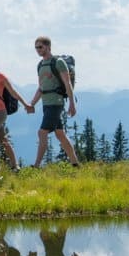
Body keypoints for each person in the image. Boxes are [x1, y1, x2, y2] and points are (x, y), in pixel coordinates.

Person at [27, 36, 80, 167]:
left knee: (42, 132)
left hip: (56, 103)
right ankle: (75, 164)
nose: (38, 50)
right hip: (46, 104)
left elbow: (67, 84)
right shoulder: (40, 65)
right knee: (60, 134)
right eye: (36, 47)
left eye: (40, 47)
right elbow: (41, 88)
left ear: (48, 47)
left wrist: (72, 105)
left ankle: (36, 166)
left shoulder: (58, 62)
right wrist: (32, 104)